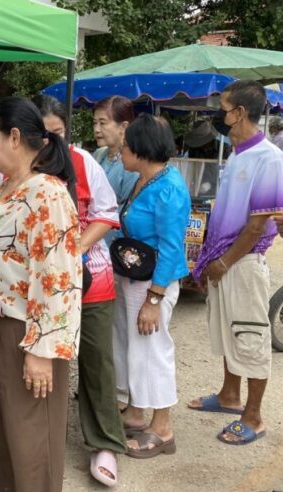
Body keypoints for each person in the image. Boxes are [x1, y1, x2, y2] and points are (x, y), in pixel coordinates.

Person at [0, 96, 81, 492]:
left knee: (32, 450)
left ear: (15, 137)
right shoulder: (5, 189)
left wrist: (42, 352)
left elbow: (59, 277)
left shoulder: (46, 193)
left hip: (26, 335)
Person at [37, 95, 125, 487]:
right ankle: (41, 441)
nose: (49, 143)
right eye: (41, 135)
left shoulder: (84, 162)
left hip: (91, 279)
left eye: (55, 133)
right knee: (43, 363)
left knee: (96, 362)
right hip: (41, 287)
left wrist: (74, 249)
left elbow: (107, 214)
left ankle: (104, 442)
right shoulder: (20, 167)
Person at [188, 80, 283, 445]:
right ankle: (229, 396)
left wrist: (224, 263)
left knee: (250, 336)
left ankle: (254, 417)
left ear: (240, 112)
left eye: (223, 109)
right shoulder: (238, 153)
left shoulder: (269, 158)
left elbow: (258, 224)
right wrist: (208, 261)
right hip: (225, 261)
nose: (220, 115)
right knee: (230, 332)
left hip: (242, 263)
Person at [112, 114, 190, 460]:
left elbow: (173, 247)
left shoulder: (169, 188)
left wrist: (154, 300)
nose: (120, 152)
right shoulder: (144, 180)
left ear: (141, 151)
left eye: (125, 147)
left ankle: (162, 428)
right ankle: (136, 410)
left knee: (152, 350)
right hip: (137, 277)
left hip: (153, 284)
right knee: (134, 348)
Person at [92, 96, 138, 245]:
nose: (96, 129)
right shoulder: (99, 154)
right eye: (95, 123)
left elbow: (126, 211)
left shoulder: (131, 163)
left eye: (103, 123)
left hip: (114, 243)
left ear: (123, 126)